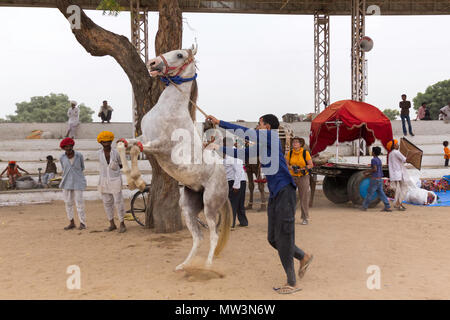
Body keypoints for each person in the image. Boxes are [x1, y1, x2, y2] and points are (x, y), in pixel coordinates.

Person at [206, 114, 313, 295]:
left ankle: (292, 282)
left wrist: (219, 123)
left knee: (284, 238)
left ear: (268, 127)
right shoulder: (263, 146)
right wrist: (216, 146)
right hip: (276, 195)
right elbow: (241, 153)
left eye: (260, 124)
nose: (257, 126)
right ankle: (303, 256)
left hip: (285, 192)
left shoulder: (271, 137)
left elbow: (245, 133)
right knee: (272, 239)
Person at [97, 131, 127, 233]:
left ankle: (122, 223)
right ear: (101, 143)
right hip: (103, 180)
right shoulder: (98, 153)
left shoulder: (117, 153)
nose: (106, 144)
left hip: (115, 180)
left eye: (108, 142)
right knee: (107, 203)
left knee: (119, 202)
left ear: (111, 142)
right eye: (104, 142)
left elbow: (122, 164)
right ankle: (112, 224)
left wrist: (114, 168)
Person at [59, 137, 87, 230]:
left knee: (79, 203)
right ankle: (71, 222)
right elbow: (64, 169)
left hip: (78, 181)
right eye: (66, 147)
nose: (68, 148)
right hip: (66, 182)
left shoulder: (79, 156)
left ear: (72, 146)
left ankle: (82, 223)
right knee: (68, 203)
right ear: (63, 148)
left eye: (70, 146)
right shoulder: (62, 157)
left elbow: (82, 167)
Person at [285, 137, 313, 225]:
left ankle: (305, 218)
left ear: (300, 144)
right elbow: (286, 164)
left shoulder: (305, 153)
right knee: (290, 197)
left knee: (304, 197)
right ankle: (290, 216)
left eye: (297, 142)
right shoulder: (289, 153)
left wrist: (302, 168)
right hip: (292, 177)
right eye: (293, 142)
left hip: (303, 177)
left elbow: (311, 165)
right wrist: (291, 168)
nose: (295, 144)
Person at [223, 137, 248, 230]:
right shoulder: (228, 154)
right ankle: (243, 222)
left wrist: (236, 185)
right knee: (239, 203)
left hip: (236, 181)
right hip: (238, 180)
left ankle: (230, 224)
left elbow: (238, 170)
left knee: (232, 203)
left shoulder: (232, 154)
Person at [360, 147, 392, 212]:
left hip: (374, 179)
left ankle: (364, 207)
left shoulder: (373, 160)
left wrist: (367, 171)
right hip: (380, 179)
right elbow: (378, 170)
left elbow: (375, 169)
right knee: (381, 193)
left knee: (370, 193)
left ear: (373, 152)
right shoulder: (379, 160)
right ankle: (387, 206)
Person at [387, 139, 408, 211]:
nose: (398, 145)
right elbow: (405, 159)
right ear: (394, 145)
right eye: (397, 144)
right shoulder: (396, 152)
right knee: (404, 188)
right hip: (399, 173)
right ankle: (398, 203)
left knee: (398, 190)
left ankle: (398, 203)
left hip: (394, 174)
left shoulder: (390, 154)